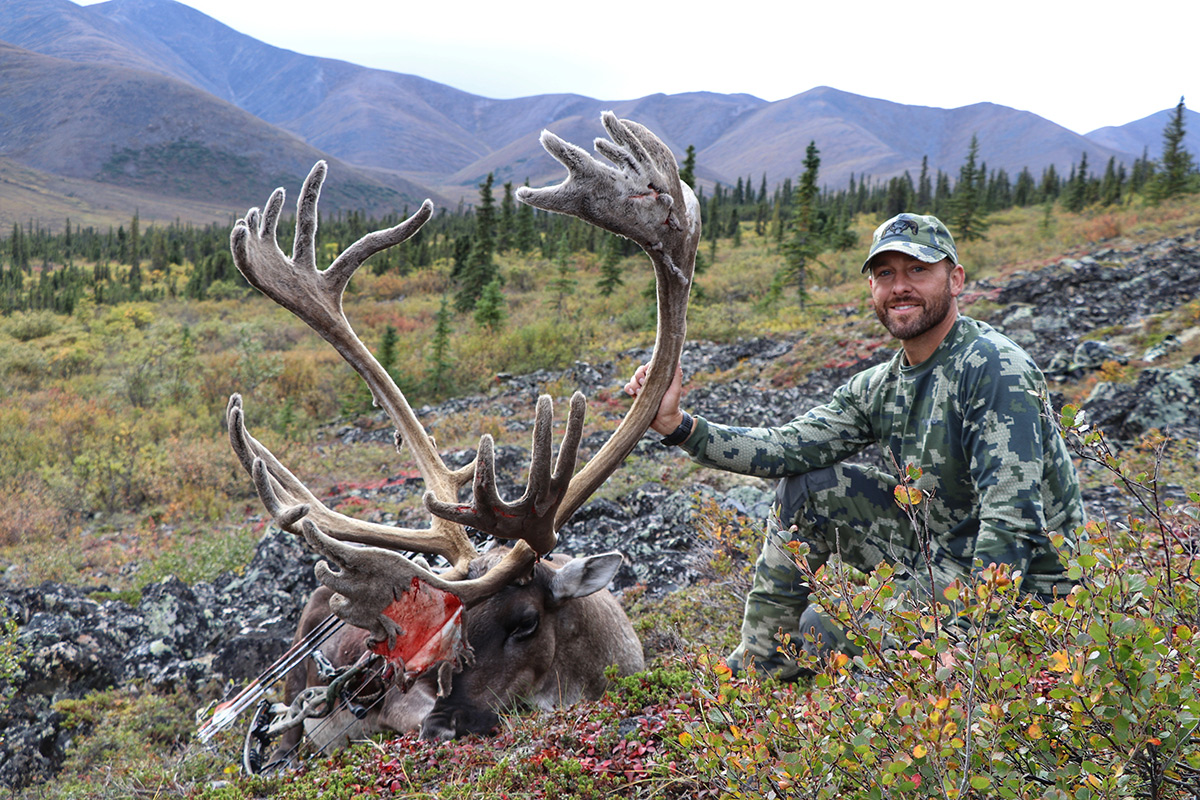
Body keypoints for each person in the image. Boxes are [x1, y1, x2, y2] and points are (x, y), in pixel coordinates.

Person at [625, 212, 1085, 679]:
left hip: (1033, 592)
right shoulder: (881, 385)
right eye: (885, 273)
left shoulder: (992, 367)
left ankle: (946, 653)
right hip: (943, 556)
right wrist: (680, 425)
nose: (900, 286)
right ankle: (756, 668)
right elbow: (787, 447)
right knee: (808, 500)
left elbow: (1014, 523)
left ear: (956, 279)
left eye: (918, 270)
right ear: (872, 290)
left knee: (848, 646)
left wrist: (970, 639)